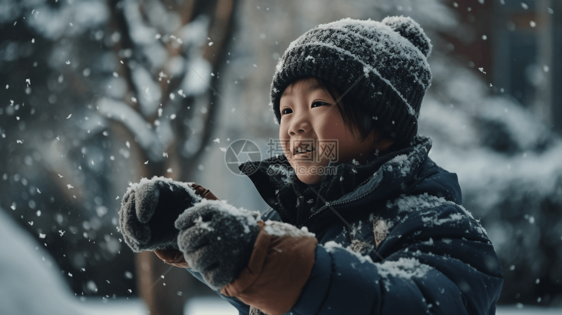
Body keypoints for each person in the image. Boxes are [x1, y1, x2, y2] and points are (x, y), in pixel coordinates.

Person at [118, 16, 504, 315]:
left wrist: (270, 262)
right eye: (286, 110)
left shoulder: (443, 229)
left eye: (318, 104)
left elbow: (408, 303)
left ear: (384, 127)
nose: (296, 123)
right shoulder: (303, 217)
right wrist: (192, 224)